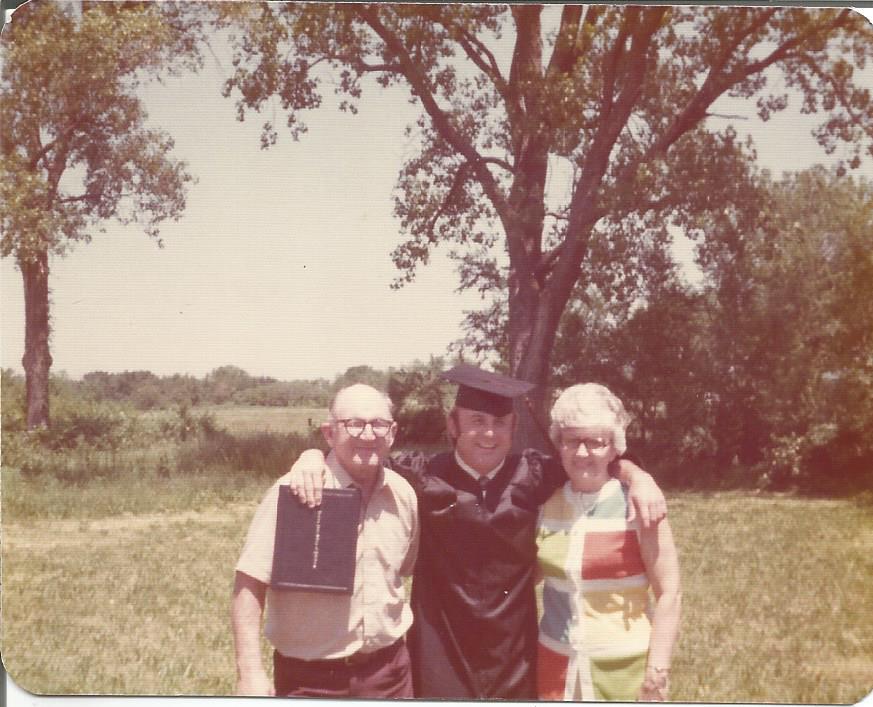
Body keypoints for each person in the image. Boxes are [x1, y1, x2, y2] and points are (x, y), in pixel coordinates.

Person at [288, 364, 667, 699]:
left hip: (513, 655)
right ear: (453, 425)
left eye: (500, 423)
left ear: (514, 427)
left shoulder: (534, 474)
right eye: (477, 421)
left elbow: (593, 460)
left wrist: (637, 475)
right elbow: (361, 456)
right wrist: (313, 456)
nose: (489, 433)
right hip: (442, 651)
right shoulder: (422, 475)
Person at [230, 384, 419, 697]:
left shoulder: (402, 495)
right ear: (329, 433)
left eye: (379, 424)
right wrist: (249, 672)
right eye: (354, 424)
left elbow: (404, 568)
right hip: (312, 682)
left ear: (393, 433)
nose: (368, 434)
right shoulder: (295, 492)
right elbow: (249, 584)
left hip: (389, 675)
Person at [537, 384, 681, 701]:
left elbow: (669, 594)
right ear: (559, 444)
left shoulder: (640, 504)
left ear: (615, 447)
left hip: (624, 669)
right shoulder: (545, 504)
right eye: (572, 440)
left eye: (595, 442)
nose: (582, 453)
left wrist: (657, 671)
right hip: (556, 668)